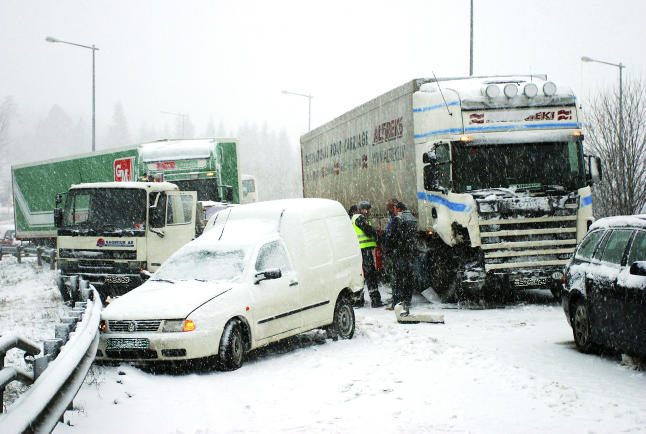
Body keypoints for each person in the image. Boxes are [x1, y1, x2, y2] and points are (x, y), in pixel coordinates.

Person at [383, 201, 417, 314]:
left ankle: (397, 303)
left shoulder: (398, 219)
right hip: (409, 252)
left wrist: (388, 248)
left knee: (398, 279)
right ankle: (407, 300)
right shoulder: (412, 218)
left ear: (398, 209)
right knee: (408, 277)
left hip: (399, 253)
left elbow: (392, 236)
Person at [351, 201, 383, 308]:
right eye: (367, 209)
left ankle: (358, 300)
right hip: (363, 251)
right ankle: (375, 300)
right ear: (361, 210)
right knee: (370, 274)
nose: (369, 211)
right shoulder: (359, 218)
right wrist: (375, 234)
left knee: (361, 275)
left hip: (361, 250)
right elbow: (368, 230)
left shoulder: (356, 218)